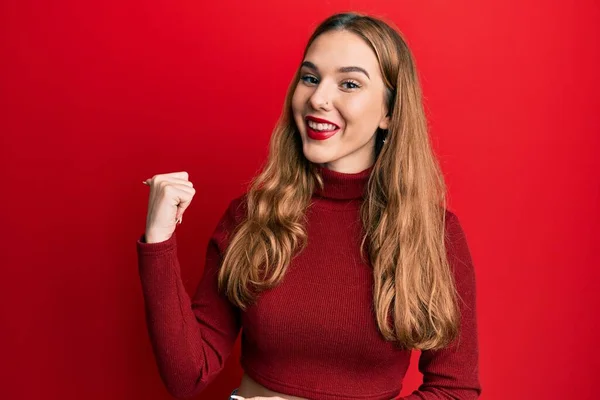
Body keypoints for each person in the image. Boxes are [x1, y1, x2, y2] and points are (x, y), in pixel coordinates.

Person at [137, 12, 481, 400]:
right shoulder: (250, 217)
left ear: (389, 112)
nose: (318, 98)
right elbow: (188, 375)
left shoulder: (433, 234)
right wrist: (158, 242)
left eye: (349, 83)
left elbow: (454, 389)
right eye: (310, 78)